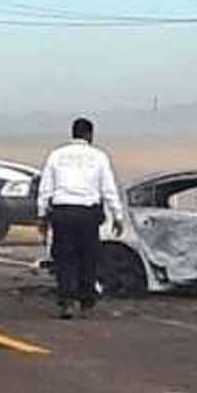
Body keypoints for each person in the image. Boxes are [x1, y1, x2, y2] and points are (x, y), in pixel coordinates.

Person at [37, 117, 125, 319]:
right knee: (88, 257)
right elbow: (108, 188)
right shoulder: (99, 157)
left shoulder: (57, 155)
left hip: (63, 212)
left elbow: (46, 188)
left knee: (64, 258)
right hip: (88, 214)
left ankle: (67, 301)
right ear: (89, 135)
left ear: (73, 133)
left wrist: (42, 215)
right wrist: (117, 216)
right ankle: (86, 300)